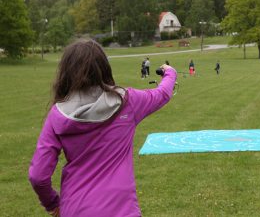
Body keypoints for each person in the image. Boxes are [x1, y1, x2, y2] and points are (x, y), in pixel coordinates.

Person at [28, 40, 177, 217]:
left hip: (75, 208)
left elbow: (38, 176)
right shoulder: (128, 102)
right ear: (104, 67)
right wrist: (170, 72)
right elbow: (162, 93)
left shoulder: (57, 114)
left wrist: (53, 204)